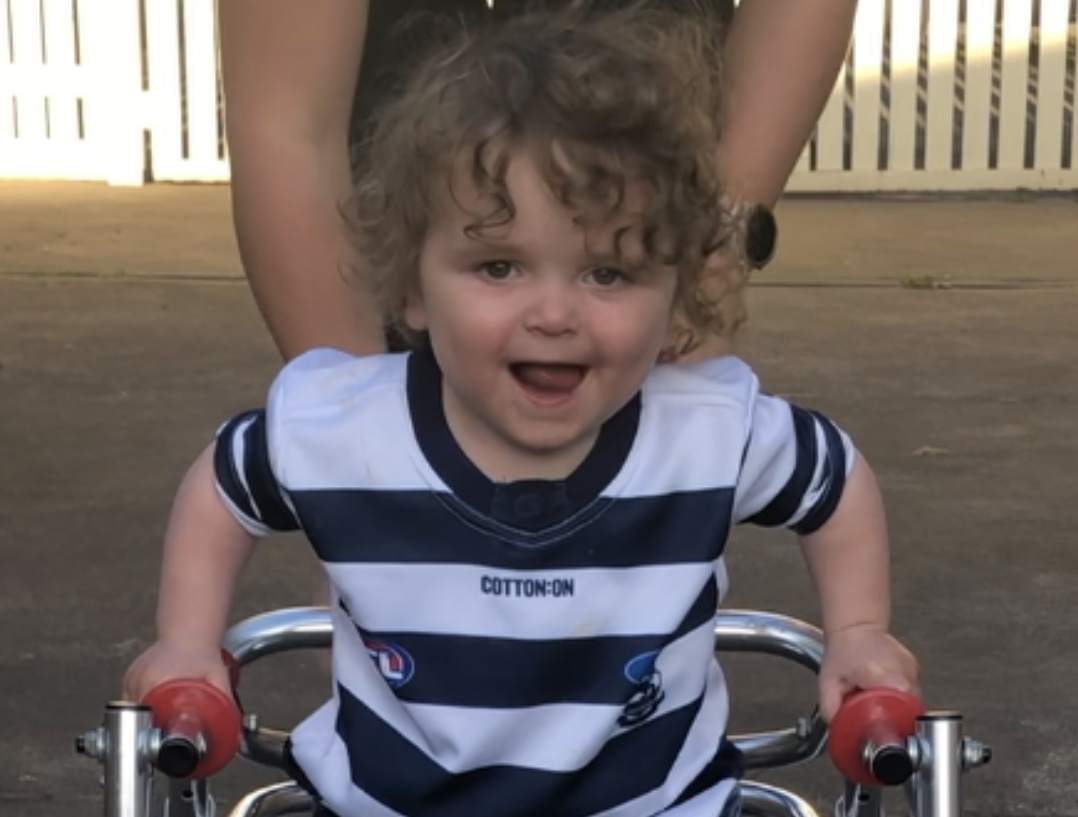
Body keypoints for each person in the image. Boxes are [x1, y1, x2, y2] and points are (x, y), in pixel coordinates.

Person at [126, 6, 918, 816]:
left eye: (608, 272)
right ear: (408, 285)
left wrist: (858, 629)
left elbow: (833, 483)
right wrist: (187, 638)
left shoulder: (707, 429)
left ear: (680, 288)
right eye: (499, 266)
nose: (553, 314)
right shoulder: (346, 424)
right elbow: (225, 486)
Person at [218, 0, 860, 362]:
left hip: (649, 184)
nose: (551, 317)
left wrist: (710, 260)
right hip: (398, 197)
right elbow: (287, 122)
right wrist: (358, 439)